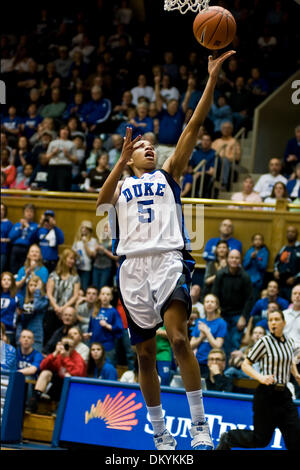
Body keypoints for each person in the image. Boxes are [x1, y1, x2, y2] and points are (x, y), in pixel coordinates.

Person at [96, 50, 236, 450]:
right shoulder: (120, 184)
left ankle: (199, 427)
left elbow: (193, 124)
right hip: (132, 269)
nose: (150, 148)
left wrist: (210, 79)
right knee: (143, 355)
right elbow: (101, 208)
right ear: (129, 156)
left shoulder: (169, 173)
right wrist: (119, 162)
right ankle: (160, 433)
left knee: (177, 340)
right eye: (142, 147)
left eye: (152, 145)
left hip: (169, 261)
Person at [217, 310, 300, 450]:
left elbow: (289, 362)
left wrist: (297, 375)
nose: (273, 322)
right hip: (266, 395)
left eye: (276, 319)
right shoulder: (264, 342)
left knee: (296, 439)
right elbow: (245, 365)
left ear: (284, 323)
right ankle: (229, 437)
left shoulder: (289, 342)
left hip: (284, 395)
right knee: (261, 440)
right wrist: (261, 377)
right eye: (270, 320)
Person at [28, 336, 86, 413]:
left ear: (74, 347)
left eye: (69, 346)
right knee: (46, 373)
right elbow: (42, 366)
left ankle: (60, 408)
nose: (66, 348)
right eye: (64, 345)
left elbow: (77, 373)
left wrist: (66, 358)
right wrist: (54, 354)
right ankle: (34, 400)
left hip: (72, 387)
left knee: (68, 376)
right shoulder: (58, 355)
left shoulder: (78, 358)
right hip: (56, 385)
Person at [212, 249, 254, 355]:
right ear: (227, 259)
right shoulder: (220, 274)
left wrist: (243, 317)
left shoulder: (245, 277)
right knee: (223, 342)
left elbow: (250, 299)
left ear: (240, 260)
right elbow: (214, 295)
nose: (234, 260)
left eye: (236, 258)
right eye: (231, 257)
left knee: (235, 342)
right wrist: (217, 313)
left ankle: (232, 370)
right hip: (222, 314)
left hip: (238, 315)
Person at [45, 248, 81, 344]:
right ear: (64, 259)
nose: (72, 261)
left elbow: (75, 295)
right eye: (70, 258)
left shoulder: (75, 277)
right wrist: (56, 307)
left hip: (67, 312)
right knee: (49, 336)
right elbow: (49, 293)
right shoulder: (53, 275)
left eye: (74, 259)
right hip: (52, 310)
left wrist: (63, 308)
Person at [190, 294, 227, 379]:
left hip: (214, 363)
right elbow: (191, 345)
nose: (209, 304)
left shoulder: (221, 323)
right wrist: (201, 337)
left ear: (216, 305)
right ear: (204, 304)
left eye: (212, 302)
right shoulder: (199, 322)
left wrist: (207, 332)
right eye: (207, 302)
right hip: (198, 361)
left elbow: (217, 345)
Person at [85, 286, 123, 366]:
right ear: (99, 296)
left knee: (107, 367)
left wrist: (107, 326)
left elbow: (119, 329)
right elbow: (91, 328)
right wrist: (89, 334)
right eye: (103, 294)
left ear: (111, 297)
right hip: (94, 346)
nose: (105, 296)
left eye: (108, 294)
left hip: (107, 347)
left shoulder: (113, 312)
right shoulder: (95, 310)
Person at [16, 276, 49, 353]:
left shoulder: (44, 300)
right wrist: (18, 336)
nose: (33, 287)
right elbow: (19, 320)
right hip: (22, 335)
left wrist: (37, 292)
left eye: (36, 285)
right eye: (31, 285)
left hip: (36, 335)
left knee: (35, 359)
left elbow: (36, 306)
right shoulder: (22, 300)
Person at [45, 124, 77, 192]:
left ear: (69, 132)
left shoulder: (72, 144)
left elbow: (75, 160)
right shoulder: (52, 143)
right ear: (59, 131)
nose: (64, 131)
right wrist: (53, 153)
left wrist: (67, 155)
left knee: (63, 188)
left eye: (66, 130)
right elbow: (46, 157)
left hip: (65, 167)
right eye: (63, 129)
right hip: (53, 167)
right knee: (51, 188)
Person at [8, 203, 38, 274]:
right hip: (15, 249)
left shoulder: (35, 226)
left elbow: (32, 238)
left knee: (25, 270)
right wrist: (20, 228)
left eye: (31, 212)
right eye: (27, 211)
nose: (29, 213)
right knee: (13, 270)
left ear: (34, 214)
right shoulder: (17, 225)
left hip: (27, 249)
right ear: (23, 213)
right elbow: (11, 237)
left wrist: (28, 227)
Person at [274, 225, 300, 300]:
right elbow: (276, 262)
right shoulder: (284, 248)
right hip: (281, 283)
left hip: (294, 284)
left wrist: (295, 278)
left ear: (297, 234)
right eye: (288, 232)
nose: (290, 234)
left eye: (292, 232)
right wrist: (276, 270)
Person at [72, 220, 98, 291]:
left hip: (86, 268)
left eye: (85, 228)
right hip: (77, 267)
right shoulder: (77, 240)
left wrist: (85, 244)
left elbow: (92, 255)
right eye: (82, 228)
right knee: (76, 287)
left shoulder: (93, 240)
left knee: (84, 287)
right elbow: (73, 251)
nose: (83, 230)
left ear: (89, 230)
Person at [242, 233, 269, 300]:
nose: (257, 241)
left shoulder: (265, 252)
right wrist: (251, 258)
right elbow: (244, 266)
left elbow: (263, 267)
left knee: (253, 299)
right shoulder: (249, 251)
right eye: (256, 239)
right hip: (247, 280)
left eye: (259, 239)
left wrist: (256, 259)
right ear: (253, 241)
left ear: (262, 241)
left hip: (257, 282)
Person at [92, 221, 118, 290]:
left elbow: (116, 258)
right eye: (105, 228)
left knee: (102, 287)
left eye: (108, 228)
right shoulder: (99, 240)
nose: (106, 230)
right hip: (96, 266)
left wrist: (104, 250)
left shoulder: (113, 241)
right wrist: (95, 250)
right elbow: (93, 256)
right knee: (95, 287)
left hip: (106, 268)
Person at [0, 272, 19, 346]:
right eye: (4, 279)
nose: (6, 281)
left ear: (12, 282)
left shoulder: (16, 297)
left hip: (9, 330)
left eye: (9, 279)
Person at [0, 203, 13, 272]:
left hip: (3, 251)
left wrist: (3, 240)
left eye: (2, 209)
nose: (0, 211)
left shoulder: (9, 223)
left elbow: (11, 238)